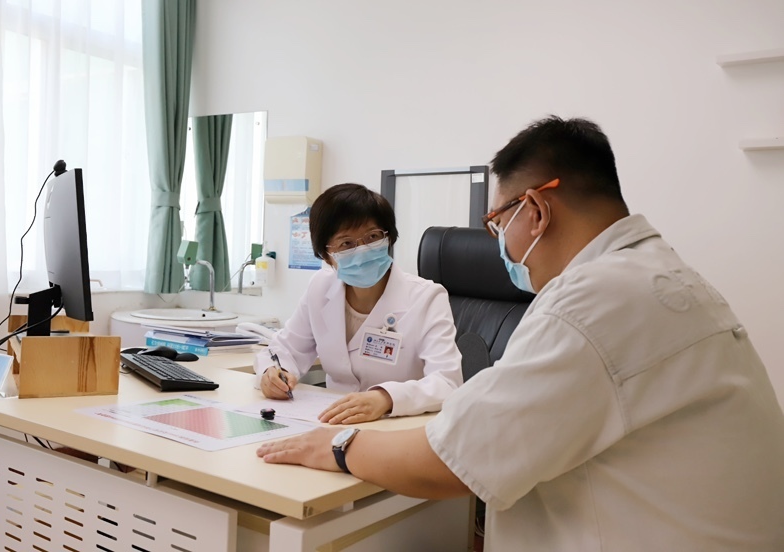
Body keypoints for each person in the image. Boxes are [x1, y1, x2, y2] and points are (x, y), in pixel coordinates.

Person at [256, 117, 784, 550]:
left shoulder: (590, 303)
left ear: (534, 210)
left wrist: (339, 445)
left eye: (496, 224)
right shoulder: (660, 275)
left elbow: (455, 458)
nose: (500, 243)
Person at [253, 183, 463, 424]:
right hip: (332, 423)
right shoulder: (320, 288)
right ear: (326, 255)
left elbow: (447, 382)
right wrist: (271, 374)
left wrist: (386, 398)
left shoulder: (427, 297)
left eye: (372, 237)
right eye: (346, 243)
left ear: (388, 238)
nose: (362, 250)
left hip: (398, 427)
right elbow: (285, 350)